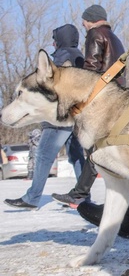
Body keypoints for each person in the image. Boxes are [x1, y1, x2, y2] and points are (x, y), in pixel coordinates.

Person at [51, 5, 129, 238]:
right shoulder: (114, 37)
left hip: (101, 96)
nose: (84, 25)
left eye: (85, 21)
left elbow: (92, 67)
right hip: (118, 94)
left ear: (91, 20)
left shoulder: (95, 35)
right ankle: (126, 209)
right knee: (111, 149)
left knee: (100, 149)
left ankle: (85, 194)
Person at [4, 24, 86, 210]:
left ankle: (32, 198)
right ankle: (82, 197)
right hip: (75, 114)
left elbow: (48, 86)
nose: (52, 43)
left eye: (54, 39)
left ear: (60, 40)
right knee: (76, 155)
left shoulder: (60, 56)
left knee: (43, 155)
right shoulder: (79, 55)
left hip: (58, 117)